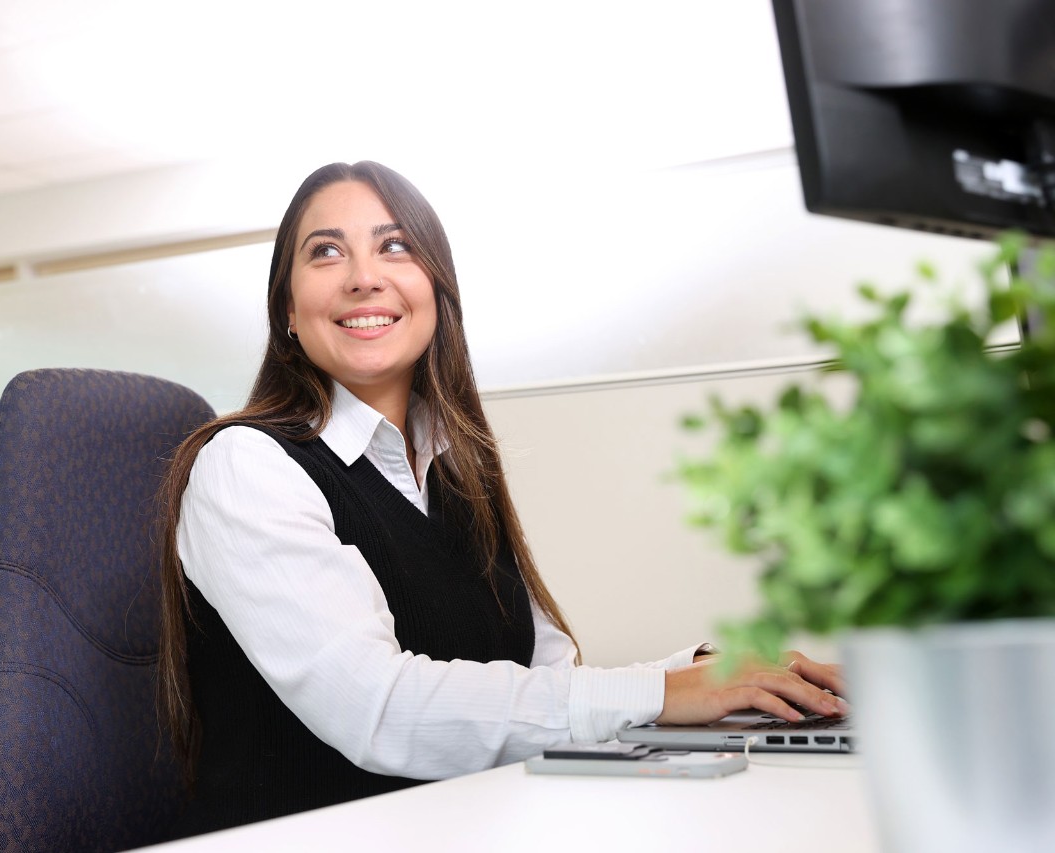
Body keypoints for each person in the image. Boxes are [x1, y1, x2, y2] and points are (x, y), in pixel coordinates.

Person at [156, 161, 845, 836]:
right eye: (326, 251)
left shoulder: (455, 471)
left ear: (437, 289)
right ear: (287, 309)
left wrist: (711, 674)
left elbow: (547, 679)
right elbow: (376, 708)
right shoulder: (246, 466)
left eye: (395, 246)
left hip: (468, 828)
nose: (363, 276)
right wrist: (664, 694)